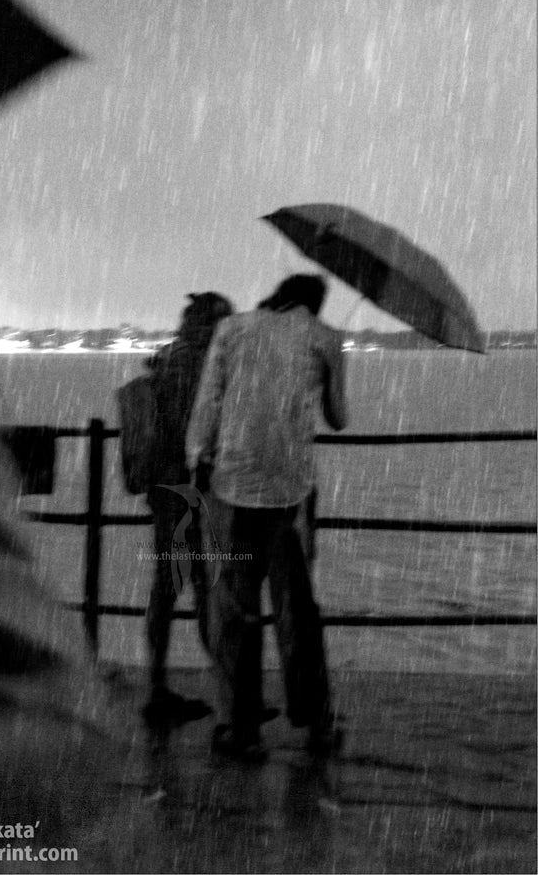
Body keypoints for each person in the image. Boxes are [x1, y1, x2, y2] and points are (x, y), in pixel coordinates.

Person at [186, 274, 346, 759]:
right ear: (315, 305)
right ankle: (316, 724)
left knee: (233, 609)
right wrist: (329, 374)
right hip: (288, 493)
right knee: (296, 611)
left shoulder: (232, 329)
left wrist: (198, 457)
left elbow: (208, 404)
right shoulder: (325, 338)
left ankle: (239, 726)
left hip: (229, 487)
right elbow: (339, 417)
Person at [142, 292, 233, 725]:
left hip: (165, 487)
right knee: (198, 584)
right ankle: (227, 693)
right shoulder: (199, 362)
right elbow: (194, 429)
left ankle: (159, 685)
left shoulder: (169, 357)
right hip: (190, 487)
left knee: (171, 585)